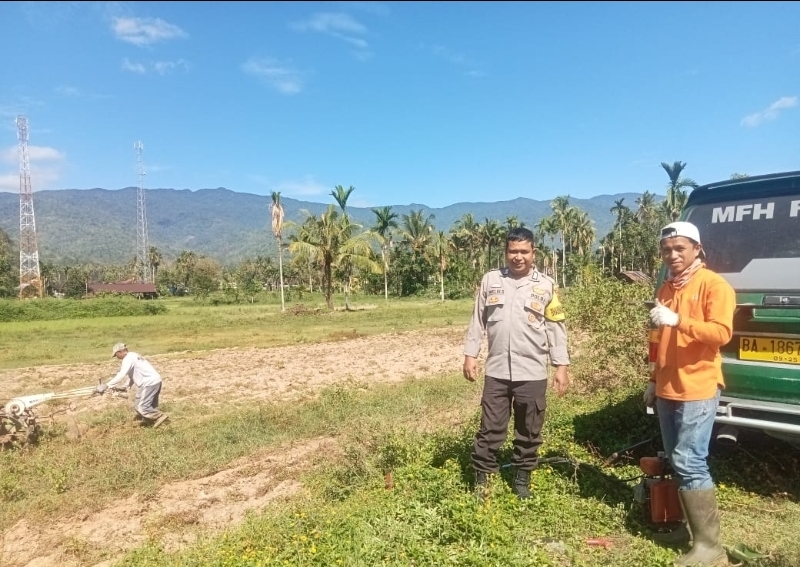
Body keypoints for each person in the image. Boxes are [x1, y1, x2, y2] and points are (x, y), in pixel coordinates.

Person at [645, 221, 735, 567]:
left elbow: (721, 333)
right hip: (667, 387)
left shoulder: (714, 285)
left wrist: (678, 320)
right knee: (676, 457)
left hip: (698, 386)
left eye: (680, 248)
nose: (673, 254)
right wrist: (653, 380)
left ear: (697, 249)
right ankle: (687, 531)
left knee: (690, 460)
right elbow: (656, 340)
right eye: (667, 249)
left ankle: (711, 548)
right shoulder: (666, 288)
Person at [463, 227, 570, 500]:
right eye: (513, 251)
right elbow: (478, 320)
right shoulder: (491, 280)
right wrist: (470, 354)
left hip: (532, 372)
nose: (518, 257)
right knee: (490, 428)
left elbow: (556, 328)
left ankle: (521, 480)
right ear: (506, 252)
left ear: (533, 253)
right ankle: (483, 481)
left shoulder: (546, 286)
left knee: (529, 430)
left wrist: (561, 366)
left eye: (524, 252)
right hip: (497, 371)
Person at [95, 343, 170, 428]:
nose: (117, 357)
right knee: (150, 406)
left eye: (116, 355)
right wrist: (125, 386)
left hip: (148, 383)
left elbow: (122, 374)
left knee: (141, 407)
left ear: (120, 352)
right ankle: (158, 425)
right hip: (155, 381)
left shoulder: (128, 359)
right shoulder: (133, 355)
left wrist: (107, 385)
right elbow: (132, 375)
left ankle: (160, 417)